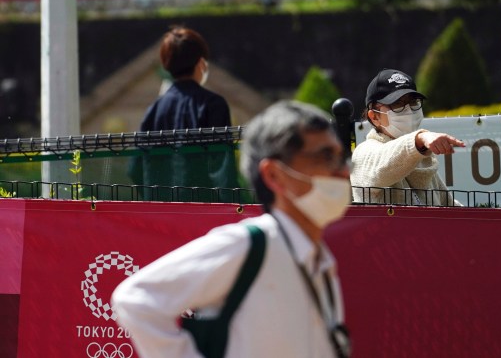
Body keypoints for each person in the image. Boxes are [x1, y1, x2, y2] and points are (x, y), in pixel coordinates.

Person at [112, 101, 352, 358]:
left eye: (342, 157)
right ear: (274, 175)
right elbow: (136, 299)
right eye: (325, 156)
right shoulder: (250, 245)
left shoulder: (323, 264)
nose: (341, 171)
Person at [128, 26, 238, 200]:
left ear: (167, 64)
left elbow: (135, 168)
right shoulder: (213, 104)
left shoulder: (154, 109)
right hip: (204, 213)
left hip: (163, 216)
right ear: (201, 63)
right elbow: (222, 167)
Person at [351, 69, 464, 206]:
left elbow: (451, 210)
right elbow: (383, 165)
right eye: (397, 104)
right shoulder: (363, 153)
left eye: (413, 102)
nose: (409, 110)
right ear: (374, 117)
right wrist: (418, 139)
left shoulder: (425, 162)